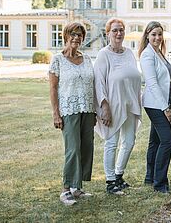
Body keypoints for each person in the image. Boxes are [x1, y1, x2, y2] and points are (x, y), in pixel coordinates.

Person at [49, 22, 95, 206]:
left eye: (80, 35)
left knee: (86, 148)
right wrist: (55, 114)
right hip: (68, 110)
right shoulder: (57, 59)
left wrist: (96, 110)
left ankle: (77, 187)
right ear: (66, 36)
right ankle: (65, 189)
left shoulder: (87, 59)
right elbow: (52, 88)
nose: (76, 38)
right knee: (73, 149)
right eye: (73, 34)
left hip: (88, 110)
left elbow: (92, 84)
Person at [94, 18, 142, 195]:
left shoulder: (129, 53)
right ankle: (110, 181)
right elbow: (99, 82)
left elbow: (134, 77)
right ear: (108, 33)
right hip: (112, 105)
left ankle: (119, 174)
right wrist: (104, 106)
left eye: (121, 30)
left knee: (129, 142)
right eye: (114, 30)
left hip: (130, 104)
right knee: (112, 143)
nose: (118, 33)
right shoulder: (103, 55)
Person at [139, 21, 171, 194]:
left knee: (156, 140)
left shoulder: (159, 52)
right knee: (168, 140)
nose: (157, 37)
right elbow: (152, 83)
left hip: (161, 102)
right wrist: (165, 108)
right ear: (147, 35)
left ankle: (150, 176)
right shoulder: (147, 55)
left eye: (160, 34)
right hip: (155, 104)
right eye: (153, 34)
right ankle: (160, 183)